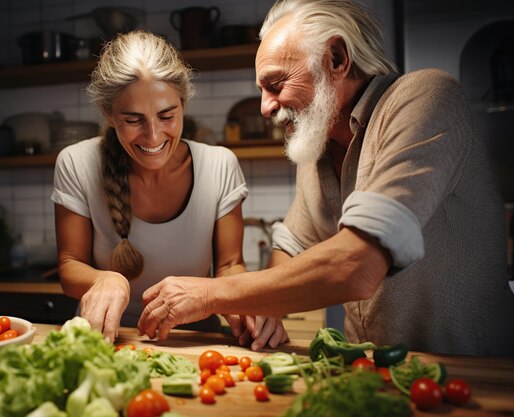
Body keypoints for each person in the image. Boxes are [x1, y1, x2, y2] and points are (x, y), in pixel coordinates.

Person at [137, 0, 514, 356]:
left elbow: (357, 264)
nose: (266, 107)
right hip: (374, 369)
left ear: (336, 58)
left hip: (469, 369)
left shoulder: (425, 96)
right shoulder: (320, 141)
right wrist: (265, 306)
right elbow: (293, 244)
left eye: (276, 84)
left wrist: (212, 294)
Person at [51, 30, 288, 349]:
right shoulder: (76, 163)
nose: (152, 137)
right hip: (107, 341)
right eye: (133, 119)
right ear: (109, 115)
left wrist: (246, 305)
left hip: (196, 341)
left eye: (166, 116)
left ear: (183, 104)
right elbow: (69, 266)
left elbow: (230, 265)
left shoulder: (219, 165)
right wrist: (104, 278)